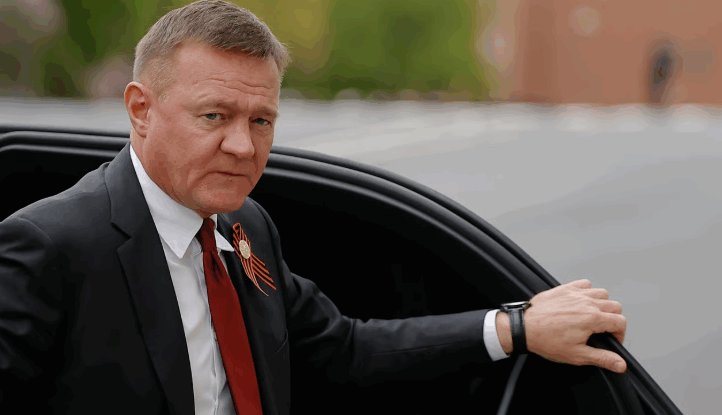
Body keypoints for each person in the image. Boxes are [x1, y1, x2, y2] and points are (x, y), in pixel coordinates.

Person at [0, 1, 627, 414]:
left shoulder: (245, 227)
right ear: (141, 109)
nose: (243, 146)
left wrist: (518, 327)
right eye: (214, 116)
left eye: (261, 120)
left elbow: (343, 350)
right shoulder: (50, 247)